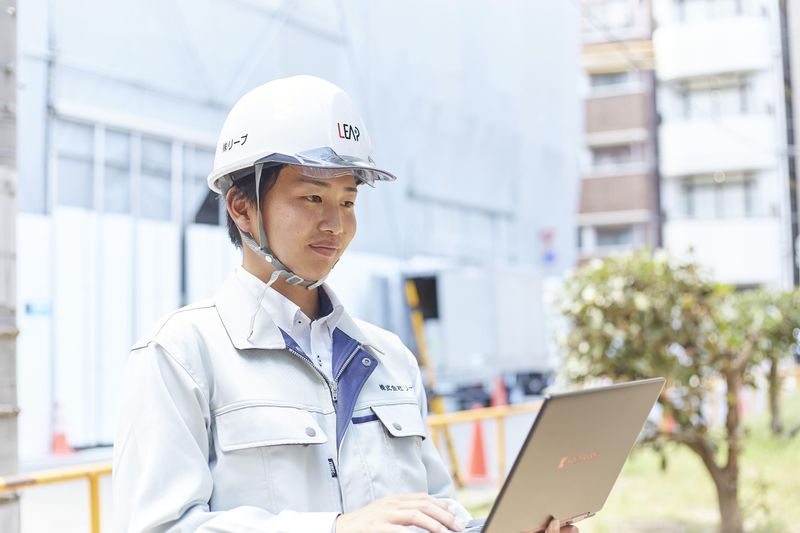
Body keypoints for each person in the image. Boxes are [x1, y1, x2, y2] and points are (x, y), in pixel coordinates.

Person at [112, 75, 577, 533]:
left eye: (348, 201)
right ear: (241, 206)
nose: (335, 224)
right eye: (312, 197)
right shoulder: (181, 356)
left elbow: (433, 512)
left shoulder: (388, 358)